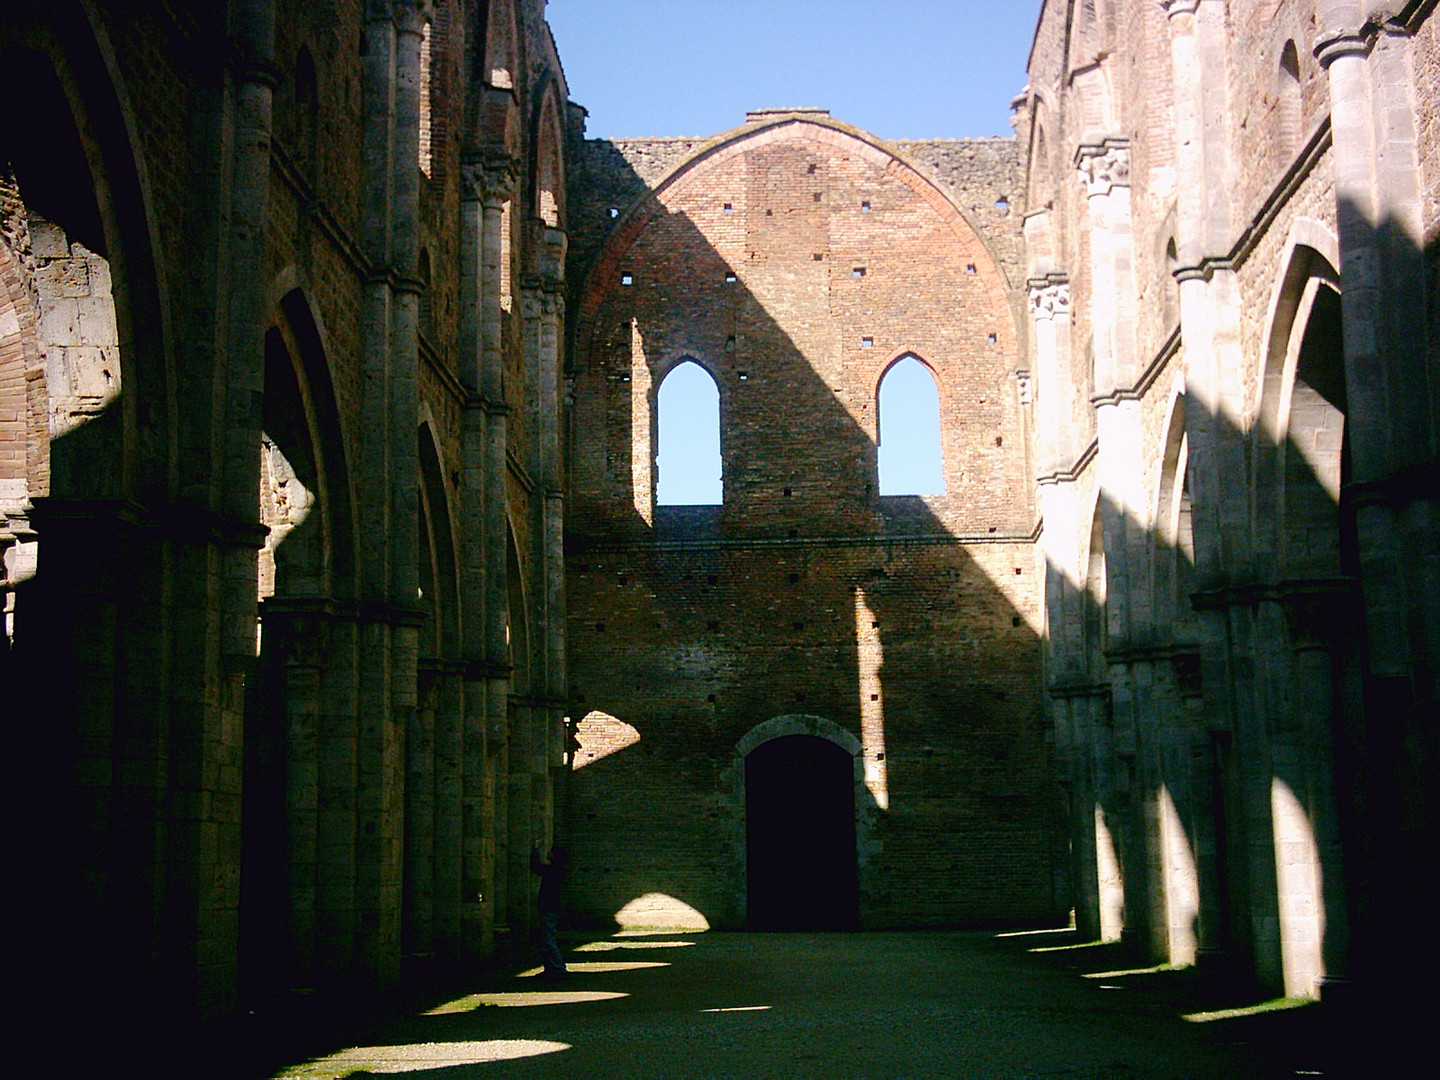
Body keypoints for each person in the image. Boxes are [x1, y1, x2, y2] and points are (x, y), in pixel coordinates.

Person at [530, 842, 568, 978]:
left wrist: (535, 850)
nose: (549, 855)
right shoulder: (556, 870)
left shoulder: (553, 871)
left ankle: (558, 968)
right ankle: (551, 968)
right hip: (550, 907)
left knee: (548, 940)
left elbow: (536, 868)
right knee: (546, 939)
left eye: (551, 853)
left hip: (549, 907)